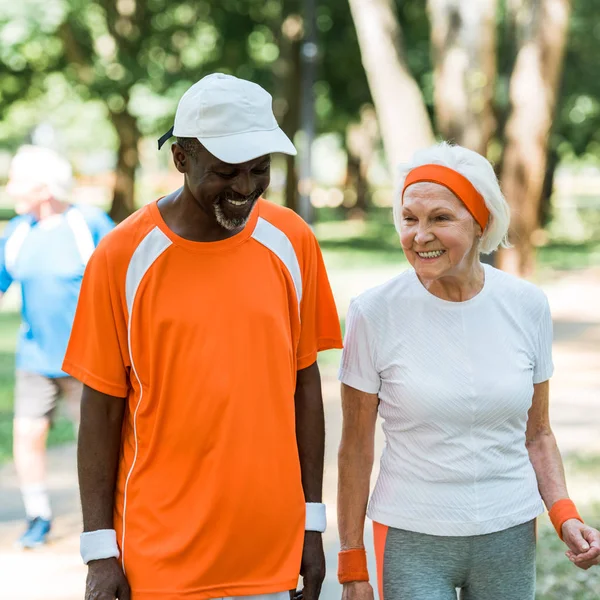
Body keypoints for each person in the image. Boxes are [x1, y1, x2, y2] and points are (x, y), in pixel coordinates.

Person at [62, 73, 343, 600]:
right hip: (158, 555)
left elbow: (306, 388)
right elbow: (99, 408)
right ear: (182, 158)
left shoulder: (293, 242)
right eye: (226, 171)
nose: (244, 187)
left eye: (259, 170)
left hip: (271, 549)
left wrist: (312, 523)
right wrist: (100, 551)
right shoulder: (121, 257)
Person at [336, 142, 600, 600]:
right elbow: (355, 449)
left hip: (509, 531)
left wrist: (564, 513)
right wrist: (351, 562)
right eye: (409, 218)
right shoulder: (373, 313)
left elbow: (538, 434)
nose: (420, 235)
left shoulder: (526, 305)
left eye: (440, 218)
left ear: (481, 224)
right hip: (410, 535)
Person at [0, 145, 114, 548]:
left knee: (97, 443)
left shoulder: (89, 224)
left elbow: (124, 280)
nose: (12, 189)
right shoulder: (17, 233)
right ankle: (38, 516)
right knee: (27, 435)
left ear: (45, 188)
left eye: (20, 182)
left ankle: (105, 521)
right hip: (35, 357)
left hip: (87, 358)